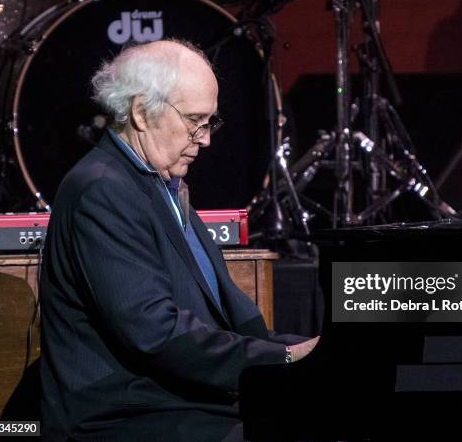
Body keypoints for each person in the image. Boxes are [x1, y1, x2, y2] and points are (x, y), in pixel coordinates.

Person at [40, 39, 319, 442]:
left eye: (210, 122)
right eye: (194, 120)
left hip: (175, 402)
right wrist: (284, 358)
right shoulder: (103, 190)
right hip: (122, 418)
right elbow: (155, 332)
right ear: (140, 112)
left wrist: (303, 351)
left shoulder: (160, 185)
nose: (205, 139)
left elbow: (224, 320)